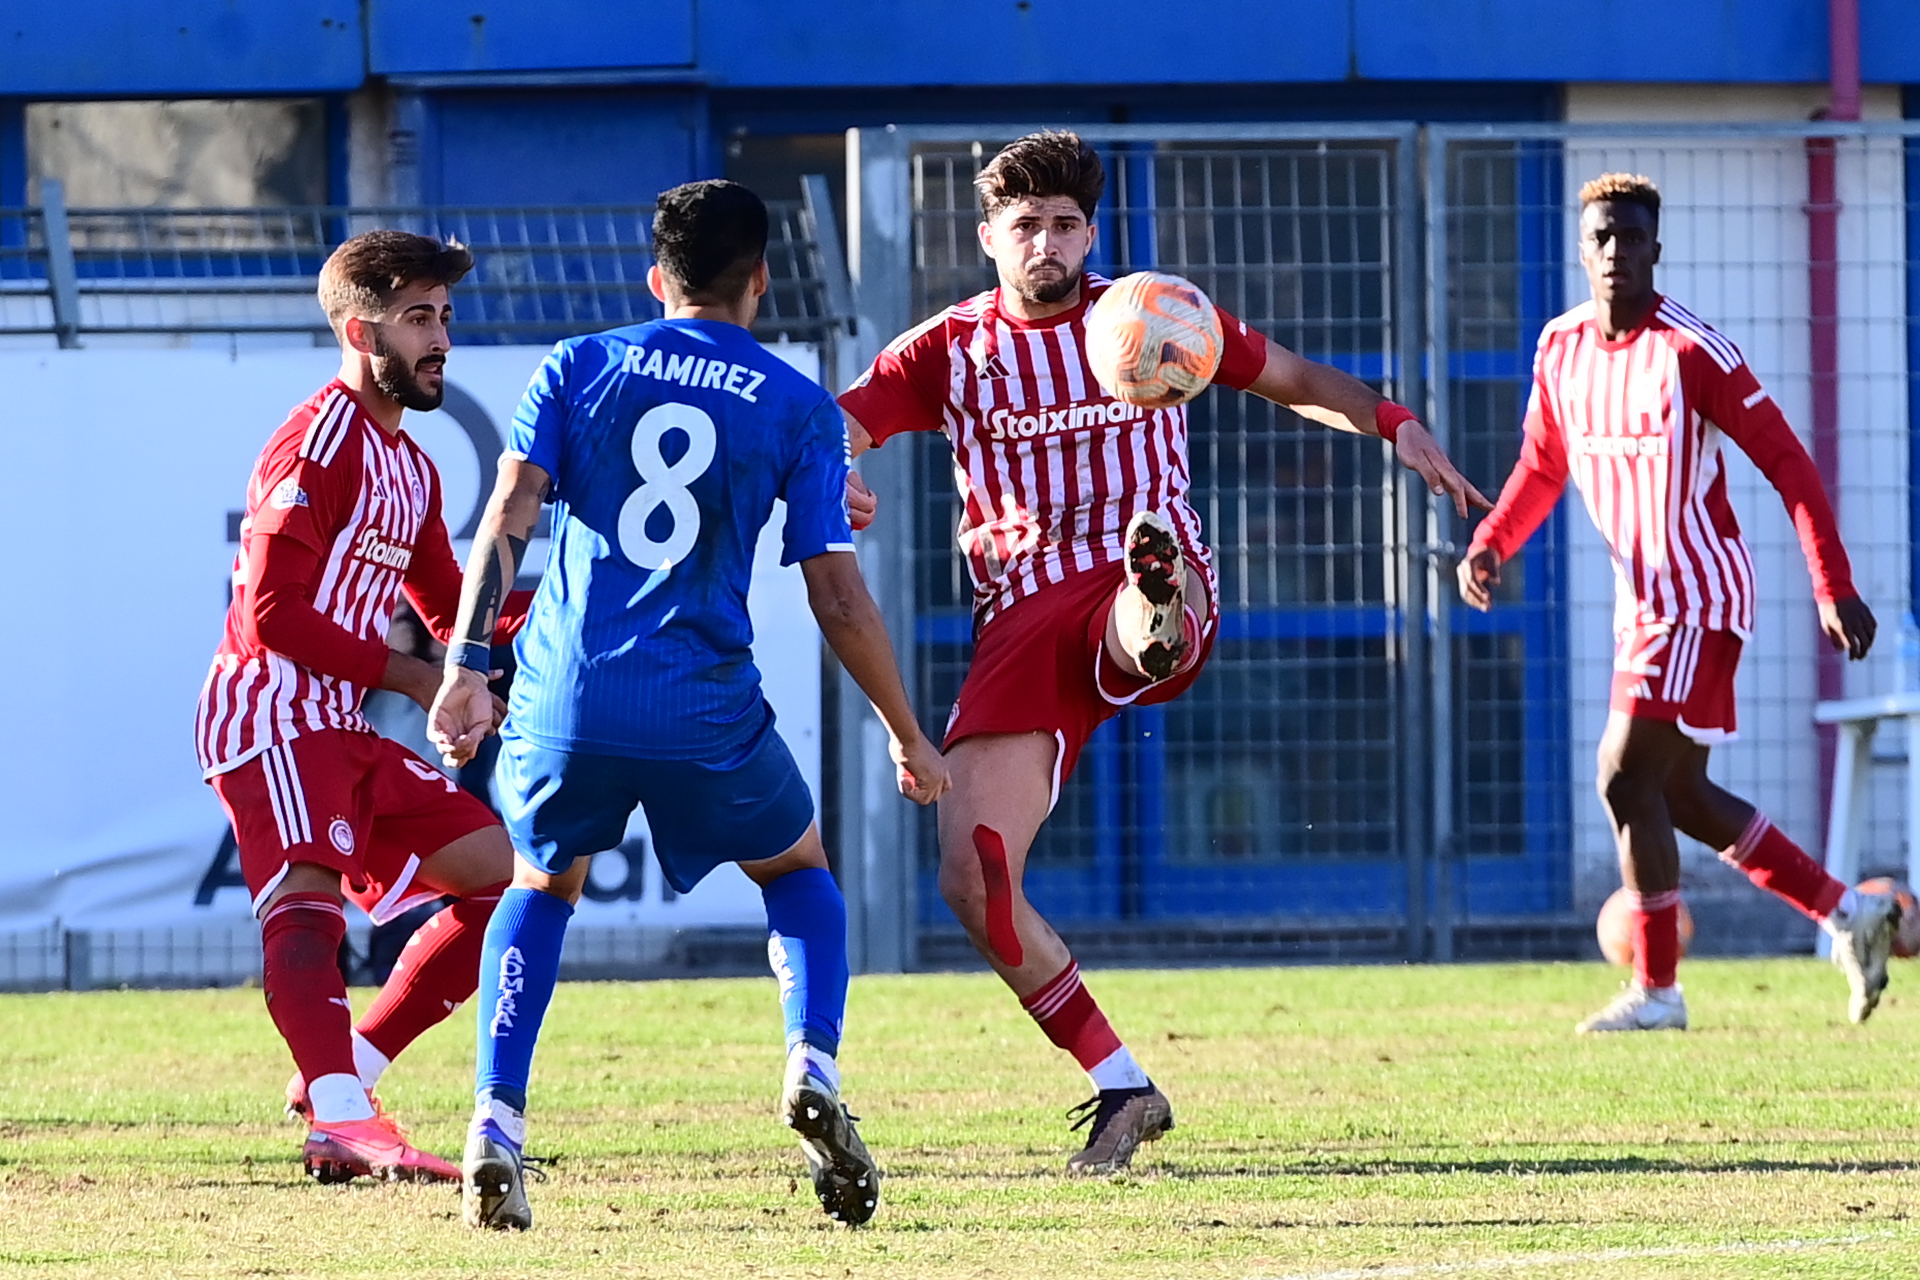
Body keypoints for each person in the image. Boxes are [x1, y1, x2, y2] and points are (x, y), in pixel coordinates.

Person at [836, 131, 1489, 1173]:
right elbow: (841, 424)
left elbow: (1293, 375)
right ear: (989, 237)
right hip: (1018, 614)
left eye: (1064, 224)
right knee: (971, 875)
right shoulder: (948, 350)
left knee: (1134, 623)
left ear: (1090, 232)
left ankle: (1157, 606)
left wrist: (1391, 421)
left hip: (1133, 575)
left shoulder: (1153, 313)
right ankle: (1123, 1083)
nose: (1046, 241)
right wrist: (838, 473)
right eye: (1025, 225)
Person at [428, 179, 949, 1232]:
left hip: (568, 693)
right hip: (701, 701)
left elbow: (508, 515)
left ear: (655, 277)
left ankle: (495, 1120)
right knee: (798, 869)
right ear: (760, 280)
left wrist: (464, 661)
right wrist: (906, 728)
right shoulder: (796, 401)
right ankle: (812, 1063)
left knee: (543, 880)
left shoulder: (579, 364)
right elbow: (836, 592)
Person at [1457, 172, 1897, 1033]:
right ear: (1582, 250)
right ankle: (1849, 913)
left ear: (1658, 247)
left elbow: (1789, 465)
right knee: (1682, 796)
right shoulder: (1561, 349)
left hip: (1700, 595)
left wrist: (1831, 583)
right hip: (1642, 605)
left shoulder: (1693, 354)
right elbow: (1543, 465)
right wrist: (1493, 542)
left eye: (1631, 236)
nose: (1617, 251)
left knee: (1623, 776)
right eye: (1602, 238)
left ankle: (1658, 991)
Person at [194, 231, 529, 1182]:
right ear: (358, 327)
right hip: (272, 716)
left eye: (446, 318)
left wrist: (579, 599)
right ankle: (341, 1118)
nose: (441, 340)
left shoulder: (411, 467)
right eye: (418, 318)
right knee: (306, 904)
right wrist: (421, 680)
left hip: (338, 726)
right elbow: (268, 617)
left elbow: (451, 613)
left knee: (512, 882)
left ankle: (347, 1079)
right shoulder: (320, 440)